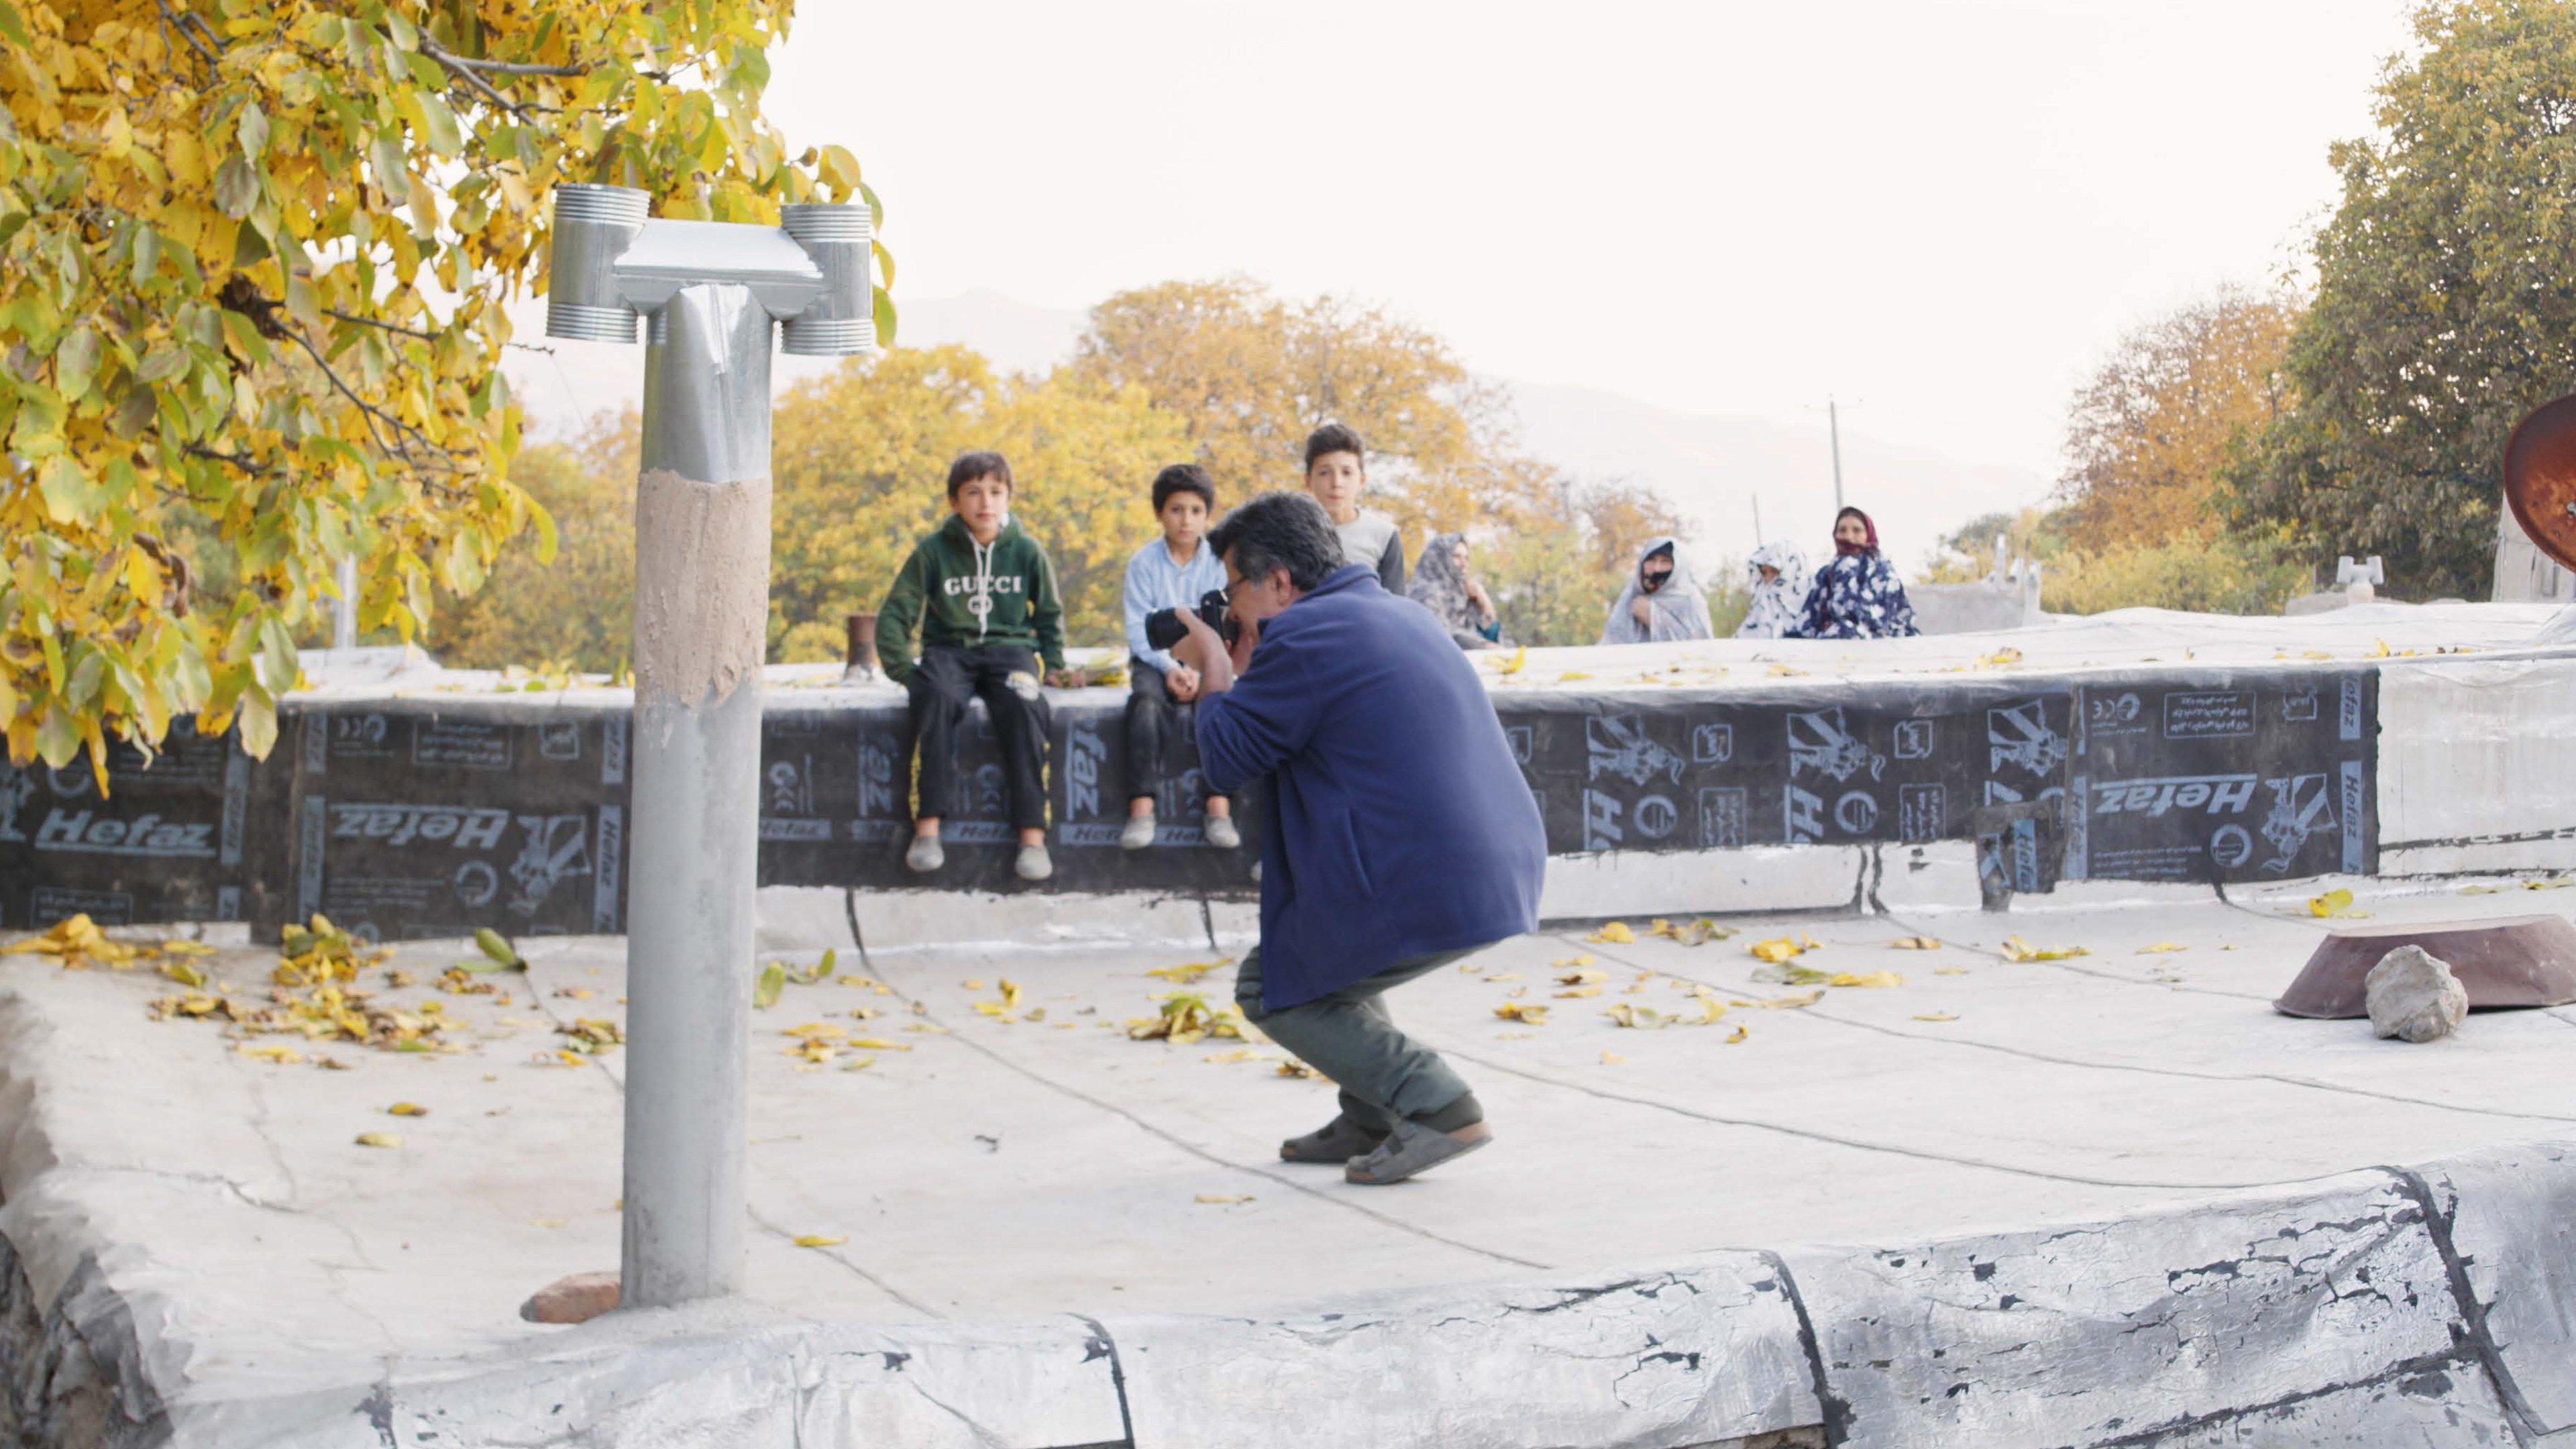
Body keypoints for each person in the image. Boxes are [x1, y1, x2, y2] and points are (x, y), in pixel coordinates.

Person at [1169, 490, 1544, 1186]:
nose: (1232, 611)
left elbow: (1226, 759)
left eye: (1234, 592)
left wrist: (1215, 667)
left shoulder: (1305, 636)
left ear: (1279, 581)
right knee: (1323, 959)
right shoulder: (1395, 613)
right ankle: (1373, 1113)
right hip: (1492, 864)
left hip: (1431, 876)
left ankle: (1437, 1104)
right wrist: (1245, 655)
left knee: (1273, 987)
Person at [875, 451, 1079, 883]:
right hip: (950, 651)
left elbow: (1048, 614)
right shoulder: (933, 552)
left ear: (1008, 498)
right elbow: (896, 613)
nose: (985, 502)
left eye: (995, 492)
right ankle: (927, 828)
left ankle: (1031, 837)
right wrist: (904, 672)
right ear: (955, 502)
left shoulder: (1026, 551)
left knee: (1026, 706)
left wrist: (1055, 664)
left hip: (1011, 652)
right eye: (973, 492)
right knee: (935, 699)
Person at [1118, 463, 1242, 851]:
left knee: (1223, 705)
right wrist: (1171, 668)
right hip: (1157, 660)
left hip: (1209, 659)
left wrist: (1201, 672)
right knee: (1145, 704)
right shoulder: (1143, 564)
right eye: (1176, 510)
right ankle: (1141, 807)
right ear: (1160, 513)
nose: (1185, 520)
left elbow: (1225, 626)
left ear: (1207, 515)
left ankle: (1218, 804)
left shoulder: (1220, 565)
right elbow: (1139, 629)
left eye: (1195, 511)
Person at [1303, 422, 1405, 591]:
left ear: (1362, 481)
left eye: (1347, 473)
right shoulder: (1291, 533)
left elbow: (1394, 606)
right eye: (1325, 473)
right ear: (1308, 481)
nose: (1336, 483)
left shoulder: (1385, 536)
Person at [1792, 506, 1920, 639]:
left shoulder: (1884, 574)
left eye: (1857, 530)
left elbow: (1895, 624)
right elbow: (1807, 625)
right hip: (1831, 654)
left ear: (1868, 535)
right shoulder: (1825, 575)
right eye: (1842, 530)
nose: (1849, 537)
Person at [1598, 535, 1714, 645]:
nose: (1657, 568)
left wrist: (1655, 617)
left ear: (1677, 566)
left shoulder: (1690, 601)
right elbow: (1610, 643)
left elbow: (1702, 649)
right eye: (1651, 561)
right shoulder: (1631, 595)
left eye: (1665, 562)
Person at [1406, 532, 1508, 650]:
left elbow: (1491, 635)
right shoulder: (1424, 592)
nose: (1464, 564)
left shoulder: (1464, 592)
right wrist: (1482, 646)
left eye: (1466, 558)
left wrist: (1484, 601)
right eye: (1457, 557)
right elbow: (1441, 637)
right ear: (1440, 557)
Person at [1735, 539, 1809, 640]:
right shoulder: (1762, 606)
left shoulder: (1814, 608)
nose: (1768, 578)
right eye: (1764, 573)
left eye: (1774, 571)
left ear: (1792, 570)